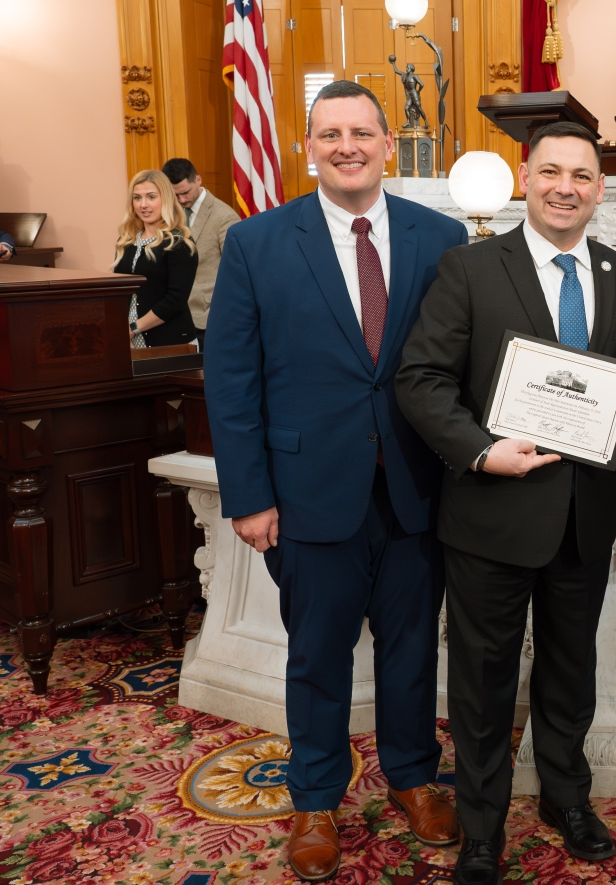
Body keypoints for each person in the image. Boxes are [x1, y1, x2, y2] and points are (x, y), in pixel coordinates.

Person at [396, 121, 616, 885]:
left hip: (584, 518)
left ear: (600, 190)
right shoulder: (469, 268)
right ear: (526, 178)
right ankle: (481, 828)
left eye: (581, 176)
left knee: (568, 673)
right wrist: (483, 449)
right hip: (490, 516)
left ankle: (564, 797)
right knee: (483, 686)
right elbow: (421, 381)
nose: (564, 187)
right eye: (550, 171)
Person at [204, 80, 469, 882]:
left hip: (418, 488)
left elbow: (467, 360)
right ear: (307, 146)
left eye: (361, 131)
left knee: (414, 648)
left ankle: (414, 779)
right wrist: (248, 495)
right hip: (307, 491)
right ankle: (316, 796)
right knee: (316, 654)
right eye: (330, 133)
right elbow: (231, 378)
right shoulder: (256, 242)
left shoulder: (442, 236)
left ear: (390, 143)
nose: (346, 145)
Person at [112, 170, 198, 348]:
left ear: (165, 199)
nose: (143, 205)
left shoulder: (180, 243)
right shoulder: (126, 241)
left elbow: (175, 300)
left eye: (151, 197)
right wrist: (119, 330)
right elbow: (118, 290)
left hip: (171, 342)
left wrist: (131, 329)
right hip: (128, 340)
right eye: (137, 198)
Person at [162, 158, 239, 349]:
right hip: (171, 314)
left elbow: (236, 272)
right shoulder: (166, 214)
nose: (181, 200)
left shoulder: (224, 216)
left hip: (207, 316)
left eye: (185, 193)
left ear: (198, 180)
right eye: (175, 195)